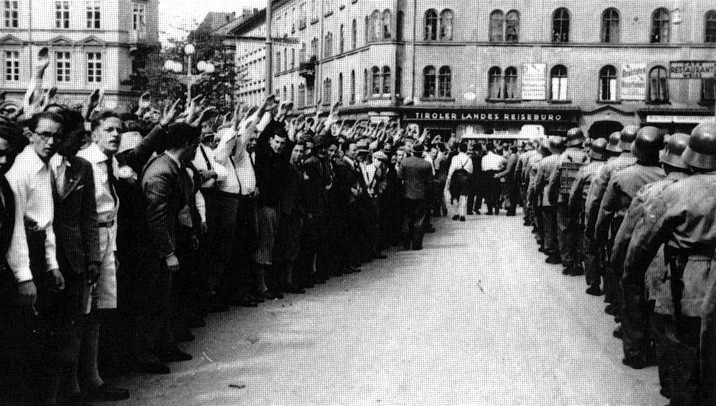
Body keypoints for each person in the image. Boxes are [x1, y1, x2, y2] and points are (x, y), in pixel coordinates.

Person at [624, 122, 716, 405]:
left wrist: (629, 281)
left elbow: (642, 244)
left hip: (687, 287)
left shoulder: (675, 192)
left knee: (684, 363)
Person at [613, 133, 689, 396]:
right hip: (691, 264)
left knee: (643, 303)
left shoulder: (650, 189)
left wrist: (619, 262)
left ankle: (638, 353)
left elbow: (629, 232)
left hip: (655, 253)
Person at [6, 111, 69, 404]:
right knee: (27, 345)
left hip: (40, 256)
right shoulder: (20, 170)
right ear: (30, 135)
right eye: (44, 134)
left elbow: (46, 222)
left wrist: (53, 264)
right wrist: (24, 276)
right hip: (24, 258)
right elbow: (15, 226)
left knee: (47, 340)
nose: (51, 141)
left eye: (56, 135)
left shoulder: (44, 167)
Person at [50, 126, 105, 403]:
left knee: (74, 325)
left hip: (74, 257)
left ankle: (72, 389)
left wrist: (93, 257)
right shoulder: (35, 166)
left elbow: (89, 215)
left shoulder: (82, 166)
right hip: (42, 258)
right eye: (75, 135)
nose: (80, 141)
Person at [140, 123, 200, 365]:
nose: (197, 150)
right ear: (186, 145)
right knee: (153, 300)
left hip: (167, 241)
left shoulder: (174, 167)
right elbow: (156, 217)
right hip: (154, 248)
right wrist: (168, 253)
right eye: (195, 144)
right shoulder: (161, 171)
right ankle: (149, 353)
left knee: (165, 298)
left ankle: (165, 345)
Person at [584, 126, 638, 310]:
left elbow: (598, 200)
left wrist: (593, 227)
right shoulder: (658, 168)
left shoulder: (610, 166)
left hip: (618, 221)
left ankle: (614, 301)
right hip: (646, 223)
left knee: (614, 260)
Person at [567, 138, 609, 290]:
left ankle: (593, 283)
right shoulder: (610, 168)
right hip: (608, 212)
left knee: (590, 246)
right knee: (607, 247)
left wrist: (571, 210)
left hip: (589, 210)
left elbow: (575, 193)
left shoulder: (585, 169)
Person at [535, 136, 566, 264]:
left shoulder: (545, 161)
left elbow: (538, 181)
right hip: (563, 194)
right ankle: (562, 251)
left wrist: (535, 194)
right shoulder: (565, 158)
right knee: (561, 226)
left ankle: (551, 249)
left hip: (548, 193)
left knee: (549, 224)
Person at [398, 143, 434, 250]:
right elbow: (430, 182)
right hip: (421, 195)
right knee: (419, 219)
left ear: (412, 151)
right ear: (422, 152)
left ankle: (405, 242)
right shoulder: (426, 164)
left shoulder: (405, 162)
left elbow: (399, 177)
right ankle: (417, 244)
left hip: (407, 194)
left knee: (407, 218)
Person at [445, 142, 473, 221]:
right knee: (463, 196)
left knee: (455, 196)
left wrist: (449, 179)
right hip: (465, 178)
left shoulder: (455, 158)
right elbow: (471, 171)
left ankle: (456, 213)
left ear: (458, 149)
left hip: (456, 178)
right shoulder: (469, 159)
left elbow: (451, 169)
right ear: (466, 149)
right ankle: (462, 214)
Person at [495, 145, 519, 216]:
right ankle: (512, 210)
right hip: (513, 178)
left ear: (511, 150)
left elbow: (508, 170)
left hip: (510, 179)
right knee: (512, 195)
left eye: (509, 150)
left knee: (507, 194)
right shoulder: (516, 156)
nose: (508, 151)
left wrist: (499, 175)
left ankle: (510, 210)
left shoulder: (512, 157)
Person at [481, 143, 505, 215]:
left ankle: (490, 210)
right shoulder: (499, 157)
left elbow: (482, 168)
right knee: (496, 192)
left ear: (487, 149)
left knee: (488, 193)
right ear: (494, 149)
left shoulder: (484, 158)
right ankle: (497, 206)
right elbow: (506, 163)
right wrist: (501, 167)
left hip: (487, 175)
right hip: (496, 174)